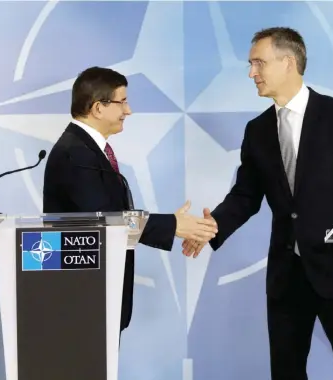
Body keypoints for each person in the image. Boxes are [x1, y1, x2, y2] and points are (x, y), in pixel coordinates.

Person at [182, 27, 333, 379]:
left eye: (258, 63)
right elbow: (245, 197)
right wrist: (208, 229)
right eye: (250, 65)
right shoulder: (257, 129)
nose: (252, 73)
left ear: (288, 62)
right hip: (287, 275)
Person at [43, 66, 218, 333]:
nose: (129, 111)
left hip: (95, 295)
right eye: (122, 102)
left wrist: (174, 224)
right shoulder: (75, 154)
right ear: (98, 108)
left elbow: (108, 216)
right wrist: (172, 225)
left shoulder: (86, 150)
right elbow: (105, 222)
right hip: (82, 298)